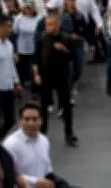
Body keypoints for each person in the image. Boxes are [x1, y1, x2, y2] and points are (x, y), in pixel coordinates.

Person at [33, 15, 77, 145]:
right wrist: (36, 74)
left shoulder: (66, 38)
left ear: (57, 25)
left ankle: (69, 132)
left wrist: (63, 49)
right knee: (44, 104)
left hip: (62, 76)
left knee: (66, 104)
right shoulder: (41, 38)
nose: (48, 27)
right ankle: (42, 130)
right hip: (46, 75)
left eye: (51, 24)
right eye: (47, 25)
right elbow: (36, 58)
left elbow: (73, 56)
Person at [3, 103, 65, 188]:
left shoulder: (44, 141)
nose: (31, 123)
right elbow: (9, 173)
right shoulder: (11, 144)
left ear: (41, 121)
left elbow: (47, 169)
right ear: (20, 121)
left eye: (35, 119)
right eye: (26, 119)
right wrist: (35, 181)